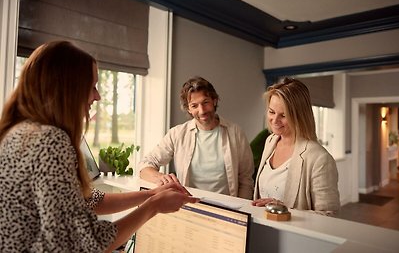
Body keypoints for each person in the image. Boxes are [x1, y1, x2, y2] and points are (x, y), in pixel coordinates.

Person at [0, 41, 198, 252]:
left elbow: (90, 200)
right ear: (68, 88)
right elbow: (85, 244)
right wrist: (154, 206)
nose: (98, 96)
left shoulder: (22, 132)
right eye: (92, 86)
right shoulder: (49, 142)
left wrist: (151, 195)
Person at [139, 76, 254, 199]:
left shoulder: (235, 132)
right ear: (188, 109)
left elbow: (246, 180)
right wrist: (160, 177)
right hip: (190, 206)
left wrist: (241, 210)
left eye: (205, 103)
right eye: (194, 106)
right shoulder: (177, 134)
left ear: (214, 101)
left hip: (227, 210)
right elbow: (145, 165)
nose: (202, 111)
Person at [252, 77, 340, 214]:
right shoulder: (270, 141)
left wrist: (285, 211)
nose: (275, 120)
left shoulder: (320, 159)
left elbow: (329, 215)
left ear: (299, 116)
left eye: (283, 115)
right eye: (271, 112)